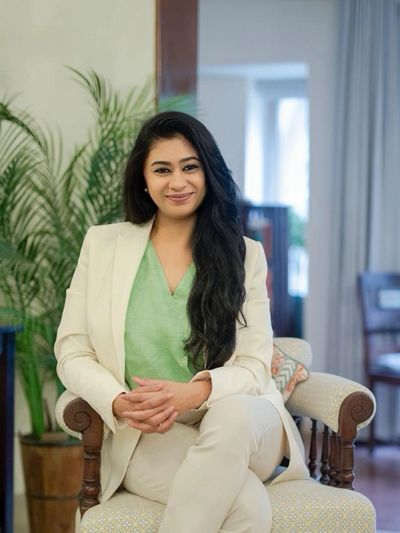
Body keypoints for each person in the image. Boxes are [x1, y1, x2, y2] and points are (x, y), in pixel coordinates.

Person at [55, 111, 309, 533]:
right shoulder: (102, 246)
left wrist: (192, 394)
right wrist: (119, 401)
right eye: (162, 169)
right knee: (246, 505)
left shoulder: (244, 254)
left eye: (190, 167)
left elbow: (253, 366)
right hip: (147, 433)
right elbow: (72, 349)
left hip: (243, 425)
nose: (178, 182)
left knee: (231, 419)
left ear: (208, 172)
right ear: (143, 177)